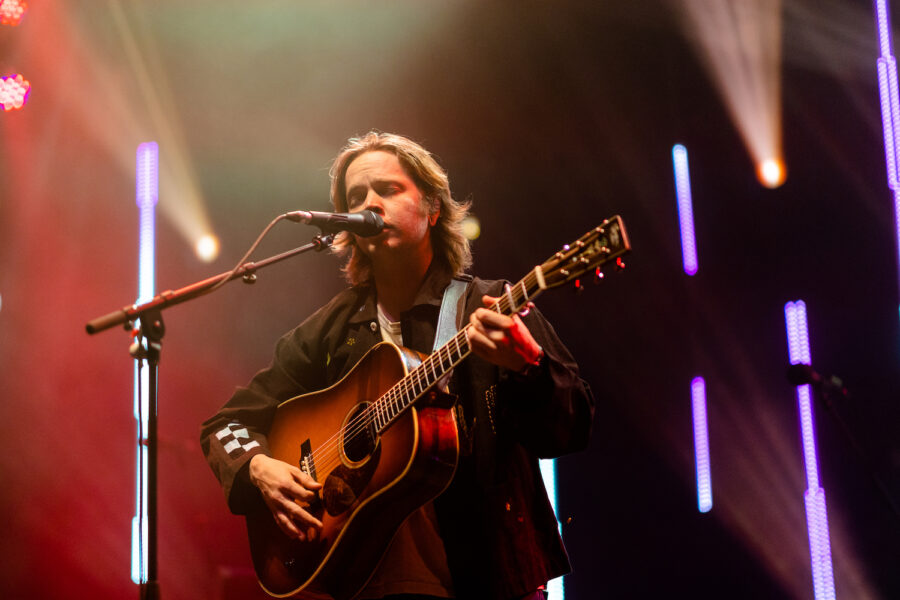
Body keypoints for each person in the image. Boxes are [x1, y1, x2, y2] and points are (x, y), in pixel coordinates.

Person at [201, 131, 595, 600]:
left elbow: (574, 428)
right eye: (356, 198)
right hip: (365, 583)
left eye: (388, 189)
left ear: (433, 208)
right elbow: (226, 424)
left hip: (486, 578)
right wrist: (257, 467)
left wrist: (528, 365)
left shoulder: (488, 305)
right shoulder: (332, 329)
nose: (370, 203)